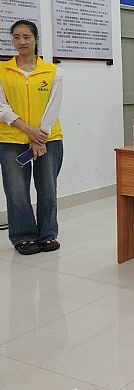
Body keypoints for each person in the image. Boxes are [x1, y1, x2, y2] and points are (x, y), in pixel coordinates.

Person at [0, 20, 64, 255]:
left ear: (36, 39)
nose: (21, 42)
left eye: (26, 37)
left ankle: (48, 234)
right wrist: (29, 132)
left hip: (49, 139)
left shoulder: (53, 72)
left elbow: (53, 107)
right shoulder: (2, 71)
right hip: (11, 140)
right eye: (16, 37)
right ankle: (23, 236)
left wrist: (39, 137)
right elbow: (2, 108)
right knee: (16, 191)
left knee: (48, 188)